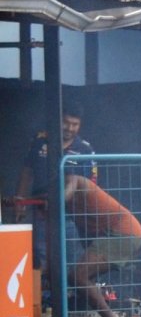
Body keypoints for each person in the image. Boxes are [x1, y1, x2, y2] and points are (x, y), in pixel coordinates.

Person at [14, 103, 96, 271]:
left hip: (70, 214)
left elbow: (92, 185)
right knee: (41, 253)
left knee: (71, 256)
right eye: (66, 122)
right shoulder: (40, 139)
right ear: (58, 120)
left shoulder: (85, 149)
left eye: (75, 124)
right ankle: (45, 294)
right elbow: (27, 171)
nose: (70, 128)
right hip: (39, 210)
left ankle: (70, 294)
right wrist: (20, 201)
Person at [64, 174, 141, 317]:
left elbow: (67, 190)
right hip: (119, 234)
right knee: (82, 278)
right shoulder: (72, 200)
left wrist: (52, 202)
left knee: (79, 276)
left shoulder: (75, 181)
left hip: (122, 233)